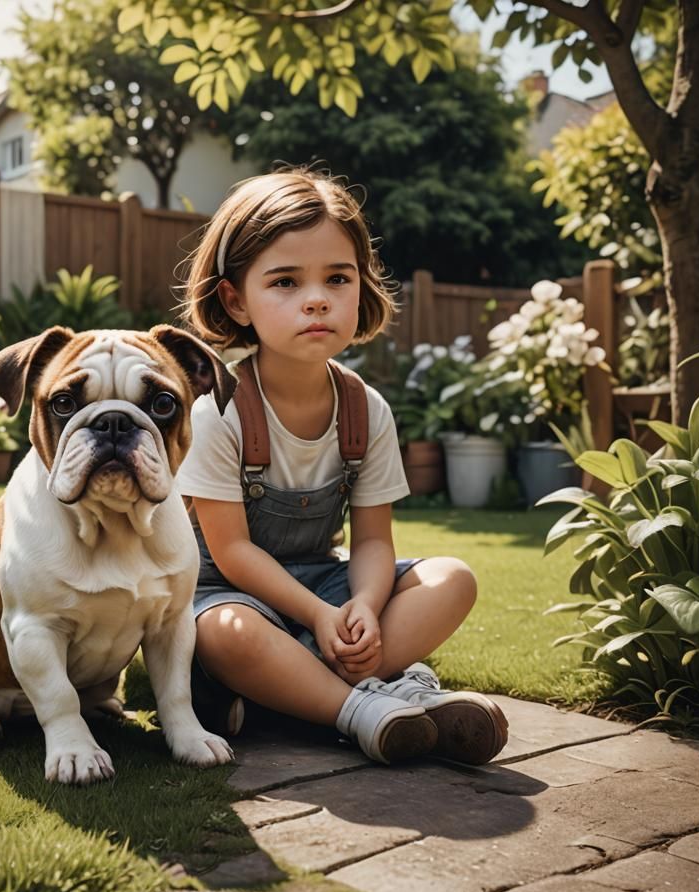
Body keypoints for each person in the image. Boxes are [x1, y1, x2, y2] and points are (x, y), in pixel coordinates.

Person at [175, 168, 508, 766]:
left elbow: (374, 540)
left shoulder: (365, 409)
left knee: (453, 578)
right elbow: (231, 555)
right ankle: (363, 707)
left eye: (337, 277)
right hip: (229, 593)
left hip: (323, 584)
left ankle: (296, 694)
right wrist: (320, 617)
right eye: (284, 281)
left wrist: (362, 604)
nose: (316, 298)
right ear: (235, 300)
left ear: (362, 286)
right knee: (226, 633)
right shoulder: (217, 410)